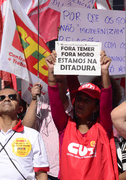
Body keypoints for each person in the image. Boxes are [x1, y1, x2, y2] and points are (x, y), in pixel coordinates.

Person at [45, 50, 118, 180]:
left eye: (87, 100)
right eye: (79, 98)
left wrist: (104, 71)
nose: (81, 103)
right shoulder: (65, 126)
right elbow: (55, 101)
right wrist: (51, 69)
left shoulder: (103, 128)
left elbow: (106, 102)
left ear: (96, 108)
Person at [0, 88, 49, 180]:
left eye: (12, 97)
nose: (6, 99)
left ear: (20, 109)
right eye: (1, 98)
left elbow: (41, 173)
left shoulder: (33, 135)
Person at [22, 83, 60, 180]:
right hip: (47, 171)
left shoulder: (73, 102)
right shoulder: (42, 104)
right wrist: (34, 99)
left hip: (70, 169)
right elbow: (27, 128)